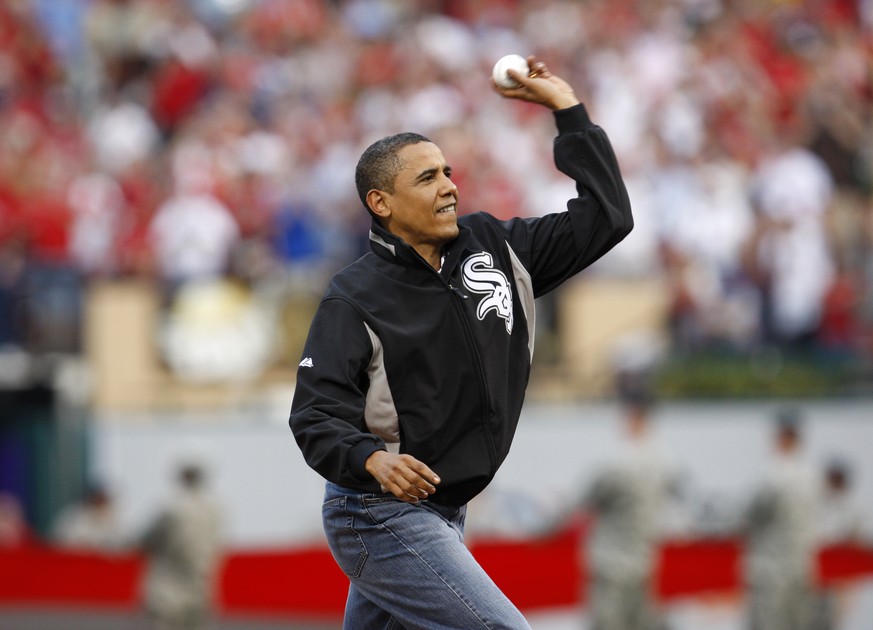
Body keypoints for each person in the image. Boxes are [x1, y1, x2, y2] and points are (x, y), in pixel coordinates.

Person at [288, 55, 633, 629]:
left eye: (447, 172)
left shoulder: (496, 247)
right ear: (382, 204)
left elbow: (608, 218)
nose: (449, 187)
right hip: (375, 512)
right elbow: (314, 414)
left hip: (444, 510)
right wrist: (370, 457)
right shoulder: (354, 298)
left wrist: (568, 111)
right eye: (427, 178)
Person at [580, 380, 678, 630]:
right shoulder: (665, 462)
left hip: (611, 566)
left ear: (632, 416)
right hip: (644, 563)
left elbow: (587, 499)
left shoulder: (618, 463)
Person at [741, 408, 819, 630]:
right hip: (803, 570)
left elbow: (751, 517)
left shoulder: (772, 474)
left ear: (781, 436)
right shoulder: (811, 474)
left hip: (771, 573)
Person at [139, 462, 223, 630]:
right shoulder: (215, 509)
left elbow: (146, 540)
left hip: (167, 594)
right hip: (200, 592)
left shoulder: (171, 507)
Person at [51, 483, 123, 552]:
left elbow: (118, 548)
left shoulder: (114, 520)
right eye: (95, 496)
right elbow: (57, 543)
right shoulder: (71, 516)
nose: (98, 499)